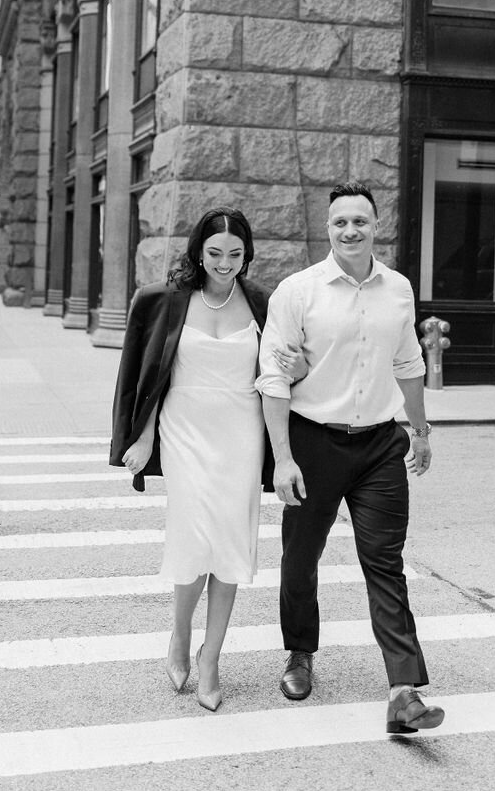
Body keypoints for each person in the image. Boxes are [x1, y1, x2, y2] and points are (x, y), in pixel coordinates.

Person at [256, 181, 443, 737]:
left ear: (375, 225)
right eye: (340, 222)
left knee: (385, 562)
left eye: (360, 221)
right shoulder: (298, 291)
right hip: (314, 441)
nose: (350, 230)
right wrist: (283, 459)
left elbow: (409, 363)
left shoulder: (399, 289)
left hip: (381, 444)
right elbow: (273, 379)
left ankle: (404, 691)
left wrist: (422, 430)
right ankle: (299, 653)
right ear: (328, 228)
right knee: (301, 557)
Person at [110, 207, 300, 712]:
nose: (224, 263)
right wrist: (144, 438)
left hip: (241, 430)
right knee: (194, 537)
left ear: (246, 255)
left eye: (235, 254)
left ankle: (211, 656)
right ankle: (178, 635)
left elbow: (284, 370)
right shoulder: (171, 300)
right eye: (215, 253)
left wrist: (297, 365)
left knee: (231, 545)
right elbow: (155, 375)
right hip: (183, 430)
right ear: (198, 251)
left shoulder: (263, 303)